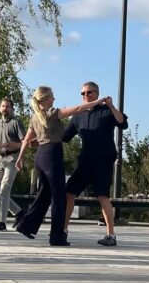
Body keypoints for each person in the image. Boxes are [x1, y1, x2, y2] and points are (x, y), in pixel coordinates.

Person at [13, 85, 103, 246]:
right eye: (52, 96)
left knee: (45, 193)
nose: (54, 99)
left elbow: (26, 140)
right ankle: (57, 237)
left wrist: (20, 158)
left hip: (40, 156)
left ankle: (26, 225)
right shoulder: (52, 112)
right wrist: (98, 101)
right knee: (59, 197)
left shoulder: (35, 117)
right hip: (52, 155)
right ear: (46, 99)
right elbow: (78, 109)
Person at [62, 81, 128, 247]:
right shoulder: (78, 115)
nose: (86, 95)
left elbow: (123, 123)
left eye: (89, 92)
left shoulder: (106, 111)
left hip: (103, 161)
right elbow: (65, 136)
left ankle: (110, 235)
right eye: (83, 93)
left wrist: (111, 106)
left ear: (97, 94)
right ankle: (62, 230)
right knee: (69, 192)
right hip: (85, 161)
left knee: (102, 196)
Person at [0, 97, 24, 231]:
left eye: (8, 106)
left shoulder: (16, 122)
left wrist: (15, 146)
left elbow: (25, 142)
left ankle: (2, 222)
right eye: (3, 106)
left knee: (4, 190)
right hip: (0, 159)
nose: (5, 108)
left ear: (12, 109)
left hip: (13, 158)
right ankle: (19, 212)